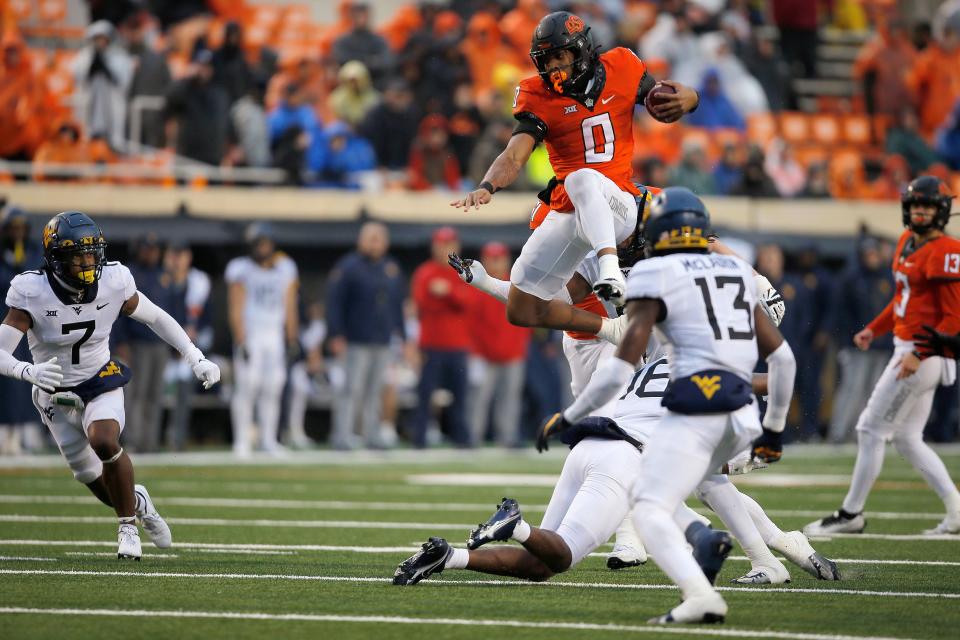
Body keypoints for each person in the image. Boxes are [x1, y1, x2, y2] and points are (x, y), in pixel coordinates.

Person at [542, 187, 797, 622]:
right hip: (740, 411)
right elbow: (783, 360)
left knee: (649, 506)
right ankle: (774, 556)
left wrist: (571, 416)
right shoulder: (737, 274)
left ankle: (704, 586)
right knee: (707, 484)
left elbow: (621, 368)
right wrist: (773, 431)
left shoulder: (651, 276)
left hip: (692, 405)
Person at [451, 11, 699, 332]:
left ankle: (610, 268)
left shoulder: (621, 66)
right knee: (522, 310)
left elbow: (666, 94)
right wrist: (488, 185)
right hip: (572, 208)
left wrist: (691, 99)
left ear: (581, 49)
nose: (553, 67)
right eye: (546, 59)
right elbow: (514, 154)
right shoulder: (537, 95)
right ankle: (612, 329)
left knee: (583, 177)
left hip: (618, 201)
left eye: (559, 56)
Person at [0, 211, 220, 558]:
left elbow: (156, 317)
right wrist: (27, 371)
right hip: (54, 395)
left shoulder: (115, 280)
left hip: (98, 380)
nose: (88, 263)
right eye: (78, 256)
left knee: (103, 440)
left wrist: (195, 357)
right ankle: (138, 501)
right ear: (56, 259)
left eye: (91, 254)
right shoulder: (32, 291)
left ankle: (127, 528)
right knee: (90, 477)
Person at [806, 176, 960, 536]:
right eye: (916, 205)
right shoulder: (906, 241)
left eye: (927, 206)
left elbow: (953, 316)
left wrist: (920, 354)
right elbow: (903, 301)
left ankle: (850, 514)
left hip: (924, 353)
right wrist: (874, 329)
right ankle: (956, 509)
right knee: (907, 438)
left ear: (941, 211)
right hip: (911, 349)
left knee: (870, 429)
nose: (920, 211)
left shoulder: (946, 250)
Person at [325, 222, 406, 450]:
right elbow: (334, 303)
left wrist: (402, 333)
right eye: (370, 238)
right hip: (355, 338)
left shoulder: (391, 267)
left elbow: (397, 304)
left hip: (382, 339)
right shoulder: (348, 267)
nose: (375, 243)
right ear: (361, 241)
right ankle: (342, 434)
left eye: (378, 238)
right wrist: (336, 334)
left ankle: (372, 434)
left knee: (375, 390)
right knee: (352, 388)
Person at [226, 223, 299, 457]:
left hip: (274, 336)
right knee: (247, 386)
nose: (262, 248)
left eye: (265, 243)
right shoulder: (241, 269)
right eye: (258, 243)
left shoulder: (286, 268)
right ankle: (242, 440)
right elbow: (235, 307)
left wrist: (291, 338)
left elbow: (290, 306)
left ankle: (269, 439)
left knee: (273, 387)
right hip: (252, 335)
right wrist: (241, 339)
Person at [410, 227, 473, 448]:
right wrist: (450, 298)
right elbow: (422, 304)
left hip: (458, 345)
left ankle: (462, 440)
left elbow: (469, 302)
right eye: (441, 244)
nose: (445, 248)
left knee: (460, 396)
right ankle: (419, 440)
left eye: (449, 243)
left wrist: (448, 292)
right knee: (425, 395)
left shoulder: (463, 270)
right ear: (433, 246)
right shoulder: (425, 272)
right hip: (431, 345)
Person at [466, 242, 530, 447]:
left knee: (510, 399)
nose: (495, 262)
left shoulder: (517, 284)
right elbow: (470, 324)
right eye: (491, 258)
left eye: (499, 258)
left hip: (512, 354)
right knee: (479, 398)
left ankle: (508, 437)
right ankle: (472, 436)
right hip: (484, 354)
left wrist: (520, 348)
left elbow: (526, 321)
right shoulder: (476, 284)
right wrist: (475, 352)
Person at [114, 234, 173, 453]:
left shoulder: (164, 275)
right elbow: (117, 310)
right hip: (137, 342)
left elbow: (171, 311)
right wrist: (121, 341)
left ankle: (151, 441)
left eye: (155, 249)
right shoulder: (130, 274)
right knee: (136, 393)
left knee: (155, 394)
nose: (152, 253)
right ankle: (133, 440)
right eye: (148, 249)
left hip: (160, 344)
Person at [0, 207, 44, 454]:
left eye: (21, 227)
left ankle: (22, 433)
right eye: (12, 227)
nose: (17, 233)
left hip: (25, 326)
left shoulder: (33, 254)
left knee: (24, 378)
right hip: (4, 322)